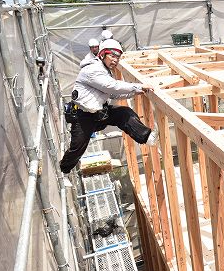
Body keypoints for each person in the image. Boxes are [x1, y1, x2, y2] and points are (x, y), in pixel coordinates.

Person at [60, 39, 157, 174]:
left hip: (100, 113)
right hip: (83, 118)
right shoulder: (92, 69)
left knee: (124, 113)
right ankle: (64, 169)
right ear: (102, 54)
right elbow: (111, 86)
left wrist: (135, 92)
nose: (115, 60)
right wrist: (138, 86)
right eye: (112, 56)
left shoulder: (105, 71)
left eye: (118, 57)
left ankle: (146, 137)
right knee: (77, 149)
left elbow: (113, 95)